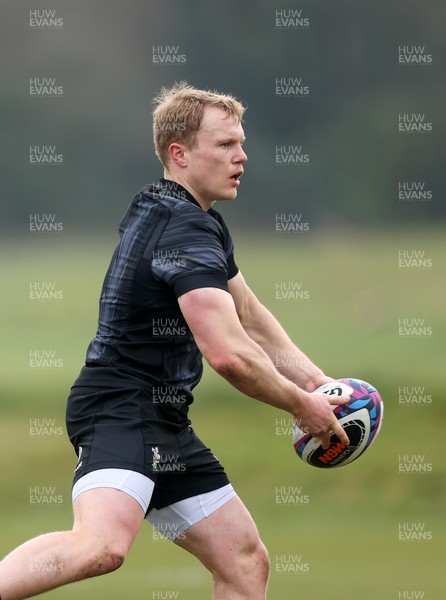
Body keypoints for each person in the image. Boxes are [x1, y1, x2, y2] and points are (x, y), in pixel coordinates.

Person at [0, 82, 349, 600]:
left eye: (241, 143)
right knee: (101, 546)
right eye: (225, 145)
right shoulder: (182, 232)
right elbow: (229, 355)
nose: (241, 156)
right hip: (121, 406)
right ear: (179, 154)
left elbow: (248, 314)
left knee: (243, 560)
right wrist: (304, 407)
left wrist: (319, 382)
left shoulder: (186, 215)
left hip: (163, 418)